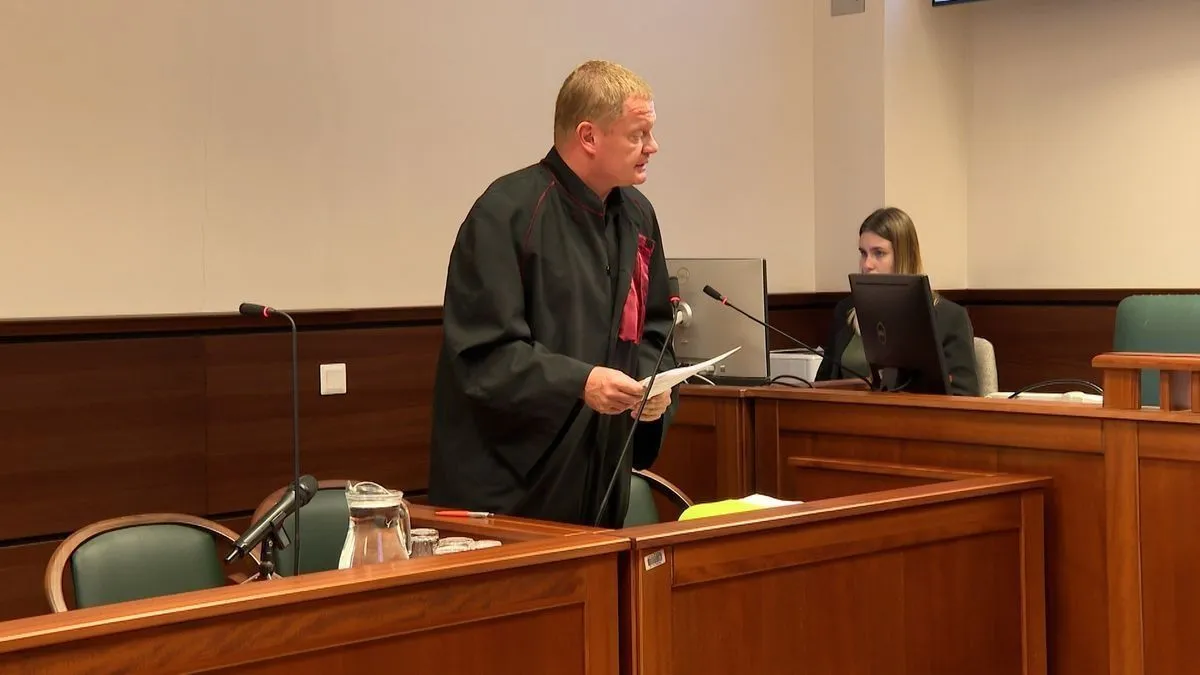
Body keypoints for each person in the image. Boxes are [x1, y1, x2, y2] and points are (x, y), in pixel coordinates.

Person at [428, 60, 679, 527]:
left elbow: (654, 329)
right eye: (638, 134)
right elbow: (483, 354)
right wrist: (580, 383)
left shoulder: (638, 216)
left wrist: (652, 386)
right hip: (511, 486)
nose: (653, 147)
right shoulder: (505, 212)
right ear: (589, 137)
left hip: (601, 473)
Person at [814, 207, 980, 396]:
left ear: (903, 256)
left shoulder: (949, 318)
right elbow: (822, 384)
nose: (867, 264)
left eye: (879, 253)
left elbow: (964, 396)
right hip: (847, 412)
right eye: (863, 253)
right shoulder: (846, 310)